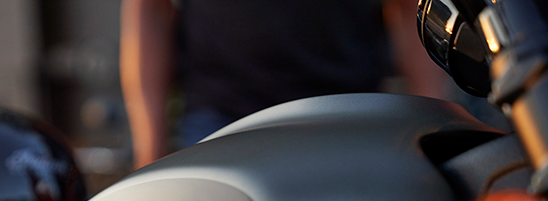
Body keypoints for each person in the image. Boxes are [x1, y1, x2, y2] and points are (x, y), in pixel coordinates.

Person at [120, 0, 448, 169]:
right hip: (219, 126)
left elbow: (408, 9)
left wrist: (434, 136)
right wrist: (150, 154)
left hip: (347, 121)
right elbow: (148, 9)